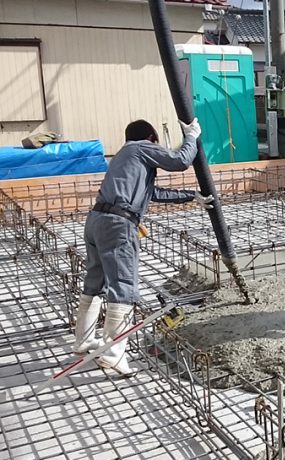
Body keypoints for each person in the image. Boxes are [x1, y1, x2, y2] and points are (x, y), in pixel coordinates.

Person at [72, 118, 213, 376]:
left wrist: (191, 196)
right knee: (123, 288)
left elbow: (154, 193)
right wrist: (191, 137)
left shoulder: (124, 159)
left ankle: (83, 341)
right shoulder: (140, 147)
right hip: (118, 225)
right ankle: (113, 355)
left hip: (96, 221)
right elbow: (180, 161)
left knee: (95, 283)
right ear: (150, 137)